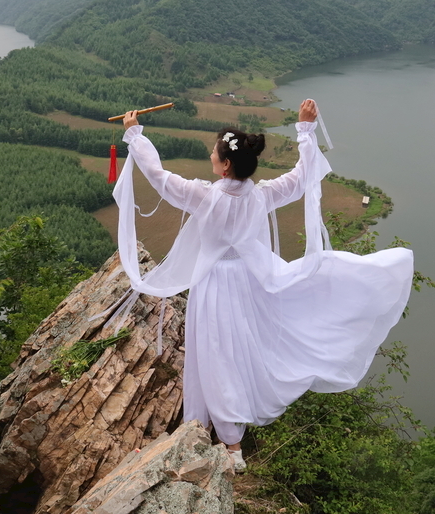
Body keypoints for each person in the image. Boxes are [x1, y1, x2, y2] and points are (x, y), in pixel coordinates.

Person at [114, 99, 413, 471]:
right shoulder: (263, 195)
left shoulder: (203, 196)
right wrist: (305, 130)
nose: (211, 153)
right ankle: (226, 430)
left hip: (213, 286)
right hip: (252, 281)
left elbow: (158, 176)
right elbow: (304, 176)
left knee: (216, 355)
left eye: (215, 151)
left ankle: (231, 445)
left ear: (225, 165)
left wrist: (135, 134)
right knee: (242, 351)